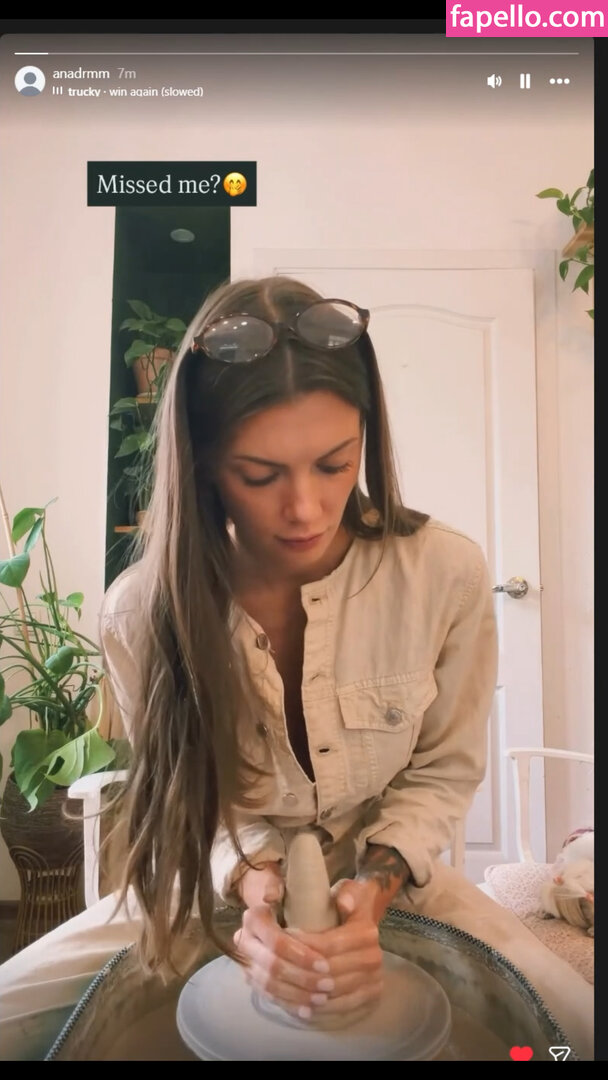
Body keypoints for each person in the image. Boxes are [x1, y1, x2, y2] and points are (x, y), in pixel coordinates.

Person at [0, 276, 594, 1060]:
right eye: (259, 474)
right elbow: (194, 802)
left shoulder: (445, 572)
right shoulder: (140, 612)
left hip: (394, 880)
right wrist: (255, 885)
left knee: (570, 1020)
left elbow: (443, 772)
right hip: (216, 886)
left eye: (334, 463)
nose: (307, 509)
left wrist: (371, 891)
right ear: (204, 463)